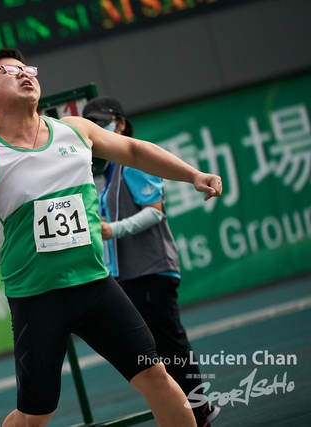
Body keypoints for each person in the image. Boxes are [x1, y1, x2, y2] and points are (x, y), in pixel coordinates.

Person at [0, 47, 223, 427]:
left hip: (96, 285)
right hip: (36, 298)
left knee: (156, 376)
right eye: (10, 72)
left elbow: (131, 149)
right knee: (36, 414)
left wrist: (193, 175)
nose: (25, 73)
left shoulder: (75, 130)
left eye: (27, 68)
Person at [82, 96, 221, 427]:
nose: (99, 129)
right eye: (93, 123)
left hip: (150, 269)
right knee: (155, 349)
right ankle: (192, 410)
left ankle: (199, 409)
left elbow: (155, 212)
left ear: (121, 123)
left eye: (104, 122)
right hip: (131, 273)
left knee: (169, 346)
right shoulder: (110, 171)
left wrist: (111, 229)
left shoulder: (131, 162)